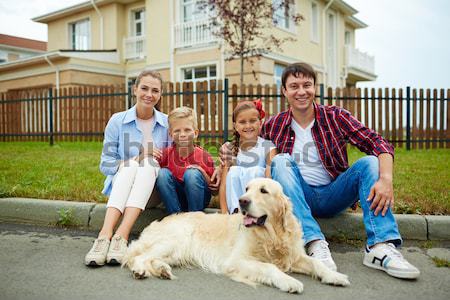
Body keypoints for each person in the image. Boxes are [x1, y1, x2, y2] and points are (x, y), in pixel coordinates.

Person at [220, 62, 420, 279]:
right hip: (297, 195)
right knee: (281, 161)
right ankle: (314, 241)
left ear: (315, 87)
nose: (301, 91)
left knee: (371, 163)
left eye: (307, 85)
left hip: (334, 193)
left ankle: (380, 246)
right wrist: (226, 154)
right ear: (284, 91)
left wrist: (386, 179)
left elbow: (377, 142)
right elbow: (248, 139)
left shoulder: (335, 116)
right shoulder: (274, 124)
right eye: (294, 86)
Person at [85, 70, 171, 266]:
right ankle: (104, 237)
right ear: (135, 89)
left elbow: (175, 159)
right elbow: (106, 164)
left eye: (155, 90)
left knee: (148, 164)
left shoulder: (167, 123)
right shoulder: (118, 120)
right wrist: (138, 156)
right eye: (144, 88)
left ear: (160, 95)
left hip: (151, 192)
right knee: (134, 163)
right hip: (121, 190)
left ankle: (121, 236)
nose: (149, 94)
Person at [219, 100, 277, 214]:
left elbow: (269, 183)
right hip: (234, 213)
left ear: (260, 122)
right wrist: (224, 214)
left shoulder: (268, 147)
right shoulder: (230, 150)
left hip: (259, 209)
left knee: (256, 171)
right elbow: (224, 185)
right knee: (234, 171)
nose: (248, 126)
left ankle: (253, 211)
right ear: (235, 126)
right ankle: (235, 212)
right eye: (242, 122)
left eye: (252, 121)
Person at [156, 106, 216, 214]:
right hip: (176, 200)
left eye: (187, 130)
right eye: (177, 131)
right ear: (170, 134)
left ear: (196, 133)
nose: (182, 134)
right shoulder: (165, 154)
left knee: (192, 174)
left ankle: (194, 217)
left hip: (199, 199)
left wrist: (201, 172)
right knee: (162, 174)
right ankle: (175, 217)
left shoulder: (204, 156)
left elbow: (214, 190)